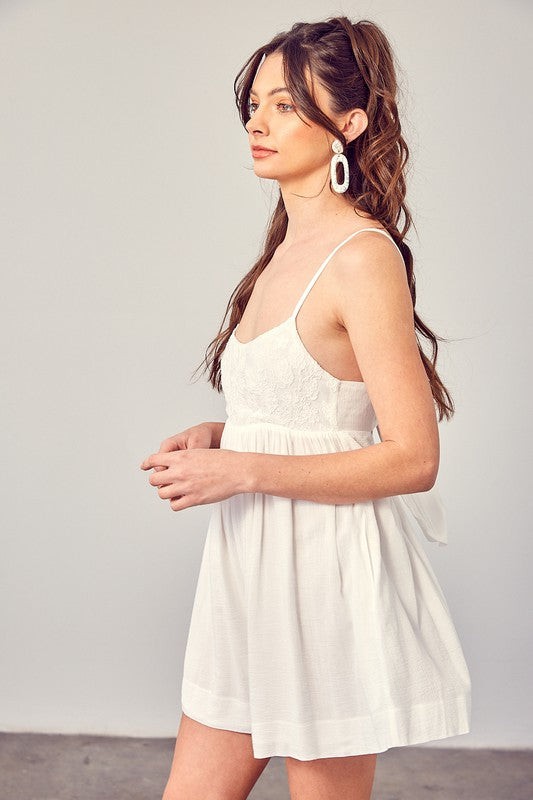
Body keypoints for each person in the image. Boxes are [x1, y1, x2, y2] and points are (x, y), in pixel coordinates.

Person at [140, 16, 472, 800]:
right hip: (247, 571)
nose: (257, 122)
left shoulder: (362, 257)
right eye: (253, 103)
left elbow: (413, 458)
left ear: (347, 126)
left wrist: (239, 466)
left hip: (324, 579)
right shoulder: (281, 251)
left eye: (286, 105)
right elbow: (320, 404)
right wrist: (222, 436)